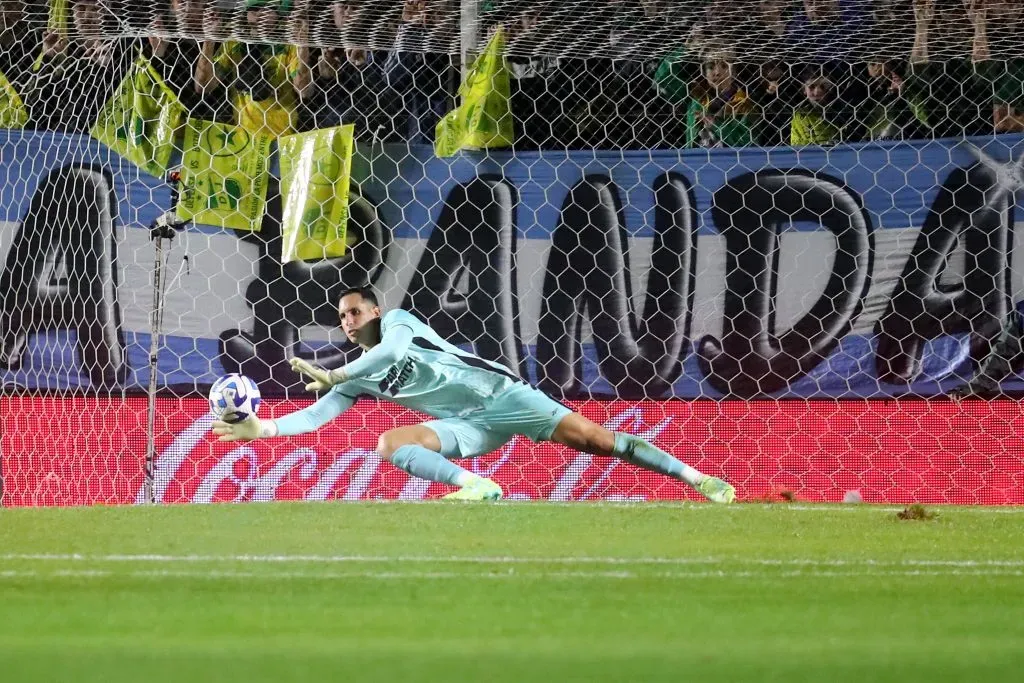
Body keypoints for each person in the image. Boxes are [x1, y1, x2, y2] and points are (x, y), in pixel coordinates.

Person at [212, 287, 736, 504]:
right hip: (467, 426)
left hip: (502, 394)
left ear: (373, 311)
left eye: (355, 312)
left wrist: (336, 372)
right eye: (341, 316)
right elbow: (317, 415)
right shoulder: (354, 373)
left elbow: (391, 355)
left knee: (597, 439)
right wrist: (262, 428)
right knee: (389, 444)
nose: (347, 321)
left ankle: (697, 479)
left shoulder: (399, 323)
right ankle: (478, 487)